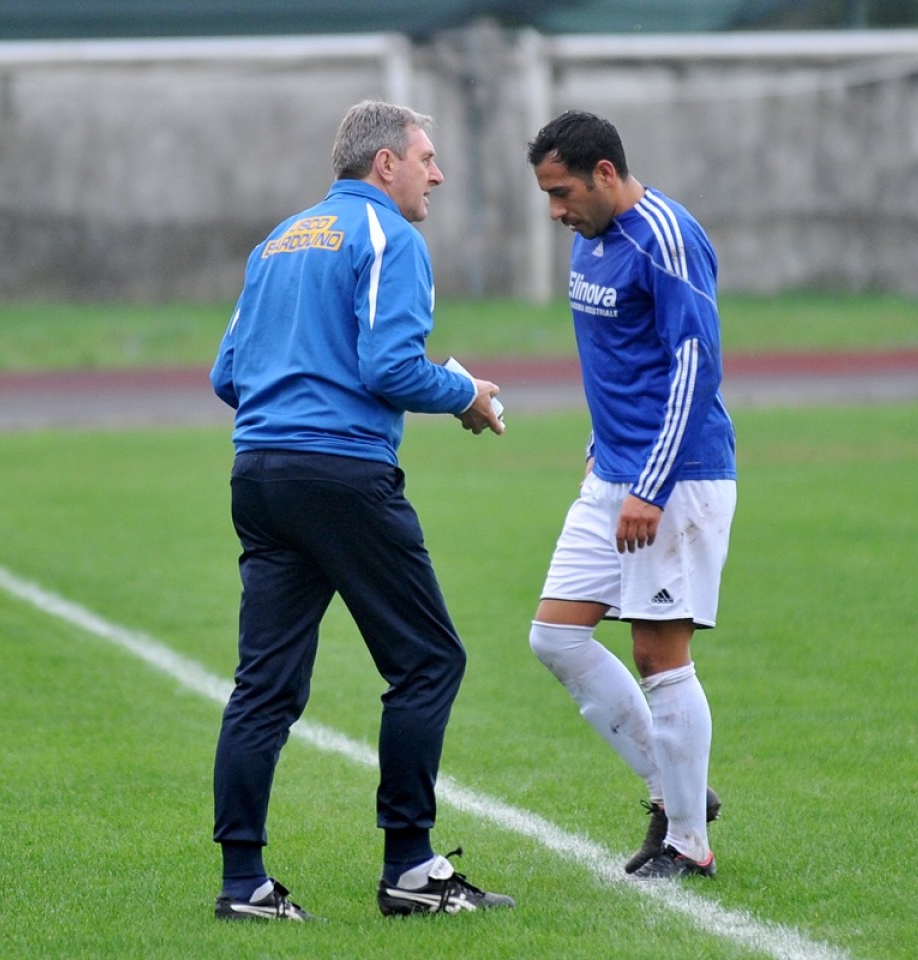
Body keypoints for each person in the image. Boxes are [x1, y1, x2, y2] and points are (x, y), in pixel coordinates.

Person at [208, 99, 513, 921]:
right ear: (385, 164)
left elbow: (227, 375)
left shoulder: (277, 241)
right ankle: (410, 869)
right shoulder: (391, 238)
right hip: (341, 475)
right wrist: (468, 393)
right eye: (426, 158)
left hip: (259, 475)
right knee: (428, 661)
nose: (437, 174)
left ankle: (245, 886)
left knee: (263, 686)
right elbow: (389, 367)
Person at [524, 111, 737, 880]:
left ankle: (687, 841)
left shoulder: (667, 237)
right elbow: (622, 360)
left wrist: (647, 484)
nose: (556, 212)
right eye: (548, 195)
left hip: (676, 478)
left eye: (563, 192)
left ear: (606, 174)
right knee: (555, 636)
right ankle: (676, 790)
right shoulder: (593, 239)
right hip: (614, 472)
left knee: (658, 654)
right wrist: (600, 449)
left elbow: (693, 364)